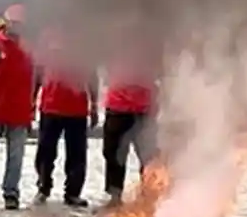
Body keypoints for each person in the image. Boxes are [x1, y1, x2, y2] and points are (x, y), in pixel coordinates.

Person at [0, 4, 35, 210]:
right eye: (14, 22)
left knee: (16, 155)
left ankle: (11, 192)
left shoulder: (29, 48)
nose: (17, 26)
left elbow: (33, 80)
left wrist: (31, 107)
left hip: (19, 110)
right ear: (7, 22)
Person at [35, 41, 98, 207]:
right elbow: (38, 73)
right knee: (45, 151)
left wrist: (94, 104)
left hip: (77, 108)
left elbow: (92, 75)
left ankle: (73, 192)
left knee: (77, 154)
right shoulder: (47, 40)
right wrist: (33, 98)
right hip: (51, 106)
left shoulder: (85, 44)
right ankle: (43, 187)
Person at [101, 55, 159, 207]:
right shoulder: (116, 44)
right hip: (117, 107)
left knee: (148, 155)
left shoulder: (153, 45)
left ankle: (148, 195)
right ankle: (115, 195)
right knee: (113, 154)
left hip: (144, 109)